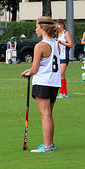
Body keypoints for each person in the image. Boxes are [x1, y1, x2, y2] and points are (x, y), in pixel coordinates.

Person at [21, 17, 60, 153]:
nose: (35, 29)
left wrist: (28, 72)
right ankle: (49, 143)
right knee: (48, 114)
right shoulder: (56, 43)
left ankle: (47, 145)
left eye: (37, 27)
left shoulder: (40, 46)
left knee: (45, 115)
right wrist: (30, 71)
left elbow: (35, 68)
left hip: (43, 82)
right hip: (54, 82)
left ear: (43, 28)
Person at [55, 19, 73, 98]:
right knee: (62, 75)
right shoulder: (59, 34)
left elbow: (70, 45)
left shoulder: (66, 33)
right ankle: (64, 93)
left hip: (65, 56)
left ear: (61, 25)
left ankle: (61, 92)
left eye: (57, 24)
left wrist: (61, 42)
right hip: (60, 56)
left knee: (61, 74)